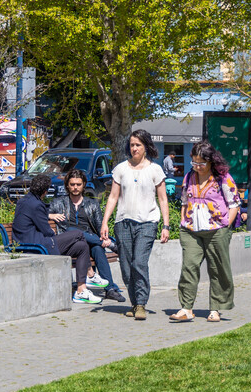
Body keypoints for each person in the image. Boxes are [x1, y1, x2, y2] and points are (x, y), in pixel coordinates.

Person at [100, 129, 170, 320]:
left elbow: (163, 199)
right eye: (132, 145)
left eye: (138, 145)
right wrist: (105, 222)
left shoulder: (155, 170)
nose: (134, 148)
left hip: (147, 223)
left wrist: (166, 225)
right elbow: (113, 197)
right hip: (123, 222)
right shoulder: (121, 169)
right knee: (125, 266)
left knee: (139, 262)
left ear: (146, 146)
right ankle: (134, 302)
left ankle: (141, 303)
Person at [169, 141, 238, 324]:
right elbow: (184, 201)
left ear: (211, 162)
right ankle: (186, 308)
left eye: (201, 163)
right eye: (194, 163)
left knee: (217, 270)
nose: (198, 167)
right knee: (189, 267)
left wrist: (225, 226)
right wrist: (184, 222)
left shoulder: (223, 178)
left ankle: (216, 309)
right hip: (191, 231)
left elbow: (234, 204)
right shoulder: (189, 177)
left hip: (216, 231)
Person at [12, 174, 102, 304]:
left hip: (30, 242)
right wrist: (54, 232)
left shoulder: (24, 201)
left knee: (82, 247)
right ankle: (91, 274)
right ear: (45, 191)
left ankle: (81, 291)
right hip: (37, 246)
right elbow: (46, 231)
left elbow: (38, 218)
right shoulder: (36, 205)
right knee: (77, 234)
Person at [49, 169, 126, 303]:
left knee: (97, 248)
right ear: (67, 185)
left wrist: (103, 236)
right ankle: (112, 245)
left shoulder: (92, 204)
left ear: (84, 185)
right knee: (74, 230)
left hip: (89, 241)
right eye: (72, 184)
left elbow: (99, 226)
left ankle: (110, 289)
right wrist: (50, 215)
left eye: (78, 184)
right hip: (71, 243)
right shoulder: (58, 203)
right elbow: (39, 215)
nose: (75, 187)